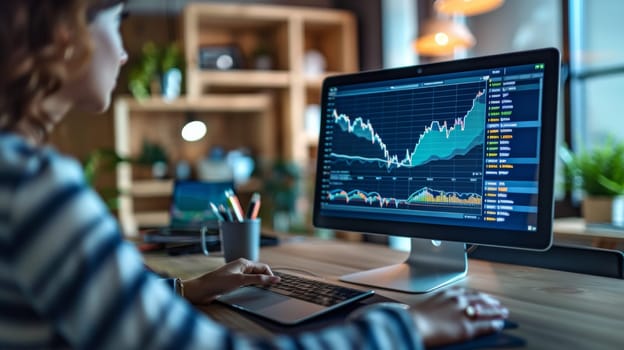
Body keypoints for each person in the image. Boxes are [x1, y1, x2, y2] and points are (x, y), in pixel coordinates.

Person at [0, 1, 509, 349]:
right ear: (66, 35)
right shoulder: (32, 189)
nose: (126, 50)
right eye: (116, 22)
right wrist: (407, 328)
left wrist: (185, 292)